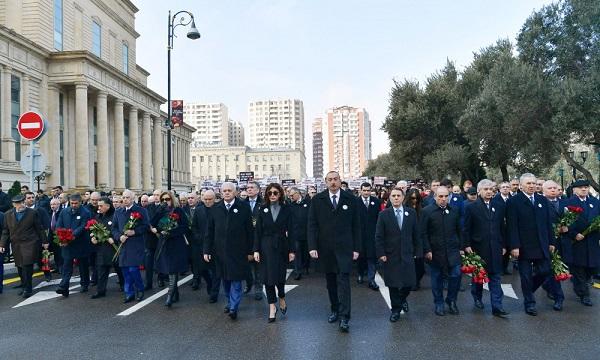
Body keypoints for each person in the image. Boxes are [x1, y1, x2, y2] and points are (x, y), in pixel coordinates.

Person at [308, 171, 361, 333]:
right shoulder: (317, 200)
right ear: (325, 182)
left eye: (335, 179)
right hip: (326, 249)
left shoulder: (351, 199)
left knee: (344, 281)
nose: (333, 182)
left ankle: (345, 317)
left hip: (345, 248)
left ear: (340, 181)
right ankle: (335, 310)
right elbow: (312, 225)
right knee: (330, 282)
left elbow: (357, 226)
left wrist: (356, 248)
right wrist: (312, 247)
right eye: (330, 180)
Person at [507, 173, 556, 316]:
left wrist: (551, 241)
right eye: (528, 183)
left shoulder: (542, 200)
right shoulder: (514, 202)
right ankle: (529, 303)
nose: (532, 186)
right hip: (524, 246)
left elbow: (548, 223)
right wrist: (514, 246)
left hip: (541, 244)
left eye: (534, 183)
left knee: (545, 271)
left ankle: (528, 290)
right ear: (521, 186)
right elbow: (512, 226)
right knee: (526, 276)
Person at [204, 182, 254, 320]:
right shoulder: (215, 208)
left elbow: (249, 230)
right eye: (224, 190)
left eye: (229, 190)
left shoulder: (243, 207)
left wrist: (251, 251)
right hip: (219, 252)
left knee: (236, 280)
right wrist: (206, 250)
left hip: (238, 251)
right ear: (221, 192)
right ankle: (229, 301)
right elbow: (209, 231)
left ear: (235, 192)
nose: (227, 193)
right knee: (225, 279)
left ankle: (234, 307)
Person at [462, 180, 509, 317]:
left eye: (491, 189)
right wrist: (467, 245)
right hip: (478, 249)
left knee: (495, 277)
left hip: (495, 247)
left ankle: (497, 307)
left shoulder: (499, 206)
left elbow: (502, 228)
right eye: (486, 189)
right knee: (479, 278)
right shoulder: (471, 207)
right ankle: (477, 297)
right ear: (479, 191)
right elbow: (466, 229)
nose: (489, 192)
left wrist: (504, 245)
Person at [375, 188, 420, 322]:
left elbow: (416, 234)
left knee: (409, 282)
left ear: (403, 197)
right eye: (393, 196)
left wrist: (418, 251)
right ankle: (395, 310)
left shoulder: (411, 213)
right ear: (389, 198)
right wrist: (381, 253)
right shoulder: (384, 214)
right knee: (393, 283)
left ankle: (402, 299)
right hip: (391, 254)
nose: (395, 198)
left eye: (398, 196)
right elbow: (379, 236)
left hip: (407, 253)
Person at [253, 183, 295, 322]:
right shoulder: (262, 209)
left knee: (279, 276)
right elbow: (257, 231)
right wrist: (256, 250)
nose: (272, 195)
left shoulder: (287, 209)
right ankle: (272, 307)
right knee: (267, 278)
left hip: (281, 246)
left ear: (280, 194)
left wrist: (292, 250)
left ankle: (281, 297)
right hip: (265, 246)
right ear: (266, 194)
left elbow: (292, 231)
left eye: (275, 193)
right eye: (270, 193)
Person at [421, 186, 462, 316]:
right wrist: (427, 250)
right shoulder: (427, 211)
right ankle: (439, 303)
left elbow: (459, 230)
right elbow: (423, 233)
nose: (443, 199)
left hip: (452, 250)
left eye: (446, 196)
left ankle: (451, 300)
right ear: (435, 197)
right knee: (437, 278)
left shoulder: (454, 210)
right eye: (440, 196)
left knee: (456, 275)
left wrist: (461, 247)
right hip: (435, 251)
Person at [559, 179, 600, 306]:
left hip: (592, 241)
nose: (584, 189)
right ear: (574, 190)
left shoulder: (595, 202)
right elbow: (564, 222)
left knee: (591, 269)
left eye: (586, 187)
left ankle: (581, 286)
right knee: (579, 268)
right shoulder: (567, 203)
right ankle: (584, 294)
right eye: (581, 187)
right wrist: (573, 233)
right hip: (576, 242)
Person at [0, 195, 48, 297]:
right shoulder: (8, 214)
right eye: (18, 203)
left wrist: (45, 241)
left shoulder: (32, 213)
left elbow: (39, 228)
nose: (21, 205)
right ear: (13, 204)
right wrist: (2, 244)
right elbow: (5, 231)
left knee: (27, 265)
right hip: (16, 244)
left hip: (30, 243)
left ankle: (28, 289)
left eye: (22, 202)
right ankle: (24, 285)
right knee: (20, 267)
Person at [112, 190, 149, 303]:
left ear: (133, 198)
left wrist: (134, 231)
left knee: (133, 269)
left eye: (127, 197)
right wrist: (119, 237)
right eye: (123, 197)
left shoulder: (140, 210)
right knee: (125, 271)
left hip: (136, 244)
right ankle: (129, 293)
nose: (125, 199)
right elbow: (114, 228)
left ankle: (140, 288)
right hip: (123, 245)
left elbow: (146, 226)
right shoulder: (118, 211)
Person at [152, 191, 189, 307]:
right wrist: (159, 230)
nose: (165, 201)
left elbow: (184, 227)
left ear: (172, 199)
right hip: (164, 243)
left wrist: (171, 232)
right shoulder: (161, 211)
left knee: (173, 270)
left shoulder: (178, 210)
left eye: (167, 199)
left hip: (176, 243)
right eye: (162, 199)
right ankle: (175, 294)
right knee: (168, 269)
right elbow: (153, 223)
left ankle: (169, 296)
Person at [55, 193, 92, 297]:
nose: (74, 205)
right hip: (67, 244)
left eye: (76, 203)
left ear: (80, 202)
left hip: (81, 243)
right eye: (72, 203)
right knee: (67, 265)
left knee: (83, 266)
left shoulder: (86, 212)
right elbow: (59, 224)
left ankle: (84, 284)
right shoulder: (64, 211)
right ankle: (64, 287)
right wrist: (61, 236)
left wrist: (70, 236)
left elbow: (83, 226)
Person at [90, 197, 123, 299]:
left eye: (101, 206)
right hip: (102, 248)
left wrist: (113, 238)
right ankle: (101, 291)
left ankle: (124, 285)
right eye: (98, 206)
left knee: (119, 269)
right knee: (101, 270)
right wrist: (93, 237)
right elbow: (94, 230)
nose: (98, 207)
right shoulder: (98, 216)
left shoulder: (115, 216)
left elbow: (119, 230)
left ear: (108, 206)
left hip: (114, 248)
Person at [541, 180, 566, 309]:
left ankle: (553, 291)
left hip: (564, 243)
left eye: (554, 188)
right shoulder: (540, 203)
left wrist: (567, 228)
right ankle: (557, 295)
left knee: (555, 270)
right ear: (543, 191)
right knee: (549, 270)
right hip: (547, 242)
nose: (552, 190)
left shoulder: (564, 203)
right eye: (549, 188)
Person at [357, 182, 381, 290]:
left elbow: (379, 218)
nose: (366, 192)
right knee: (361, 257)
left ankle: (371, 279)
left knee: (372, 257)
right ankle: (360, 274)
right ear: (360, 190)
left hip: (373, 235)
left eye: (368, 190)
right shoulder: (355, 202)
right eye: (364, 190)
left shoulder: (376, 201)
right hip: (360, 235)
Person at [244, 181, 263, 300]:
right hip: (245, 239)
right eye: (247, 188)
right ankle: (248, 283)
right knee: (246, 265)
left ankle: (258, 288)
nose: (249, 189)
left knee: (258, 265)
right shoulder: (241, 203)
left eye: (252, 187)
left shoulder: (264, 203)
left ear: (258, 190)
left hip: (259, 238)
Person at [404, 188, 425, 290]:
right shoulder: (405, 209)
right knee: (411, 264)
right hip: (408, 240)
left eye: (416, 198)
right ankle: (413, 282)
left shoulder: (422, 209)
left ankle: (417, 280)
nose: (415, 200)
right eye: (412, 198)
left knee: (420, 266)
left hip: (420, 240)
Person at [289, 187, 310, 280]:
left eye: (292, 195)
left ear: (298, 193)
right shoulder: (291, 205)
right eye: (289, 195)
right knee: (297, 251)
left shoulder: (308, 203)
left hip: (306, 233)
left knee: (305, 252)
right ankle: (298, 271)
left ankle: (305, 267)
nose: (290, 197)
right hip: (295, 233)